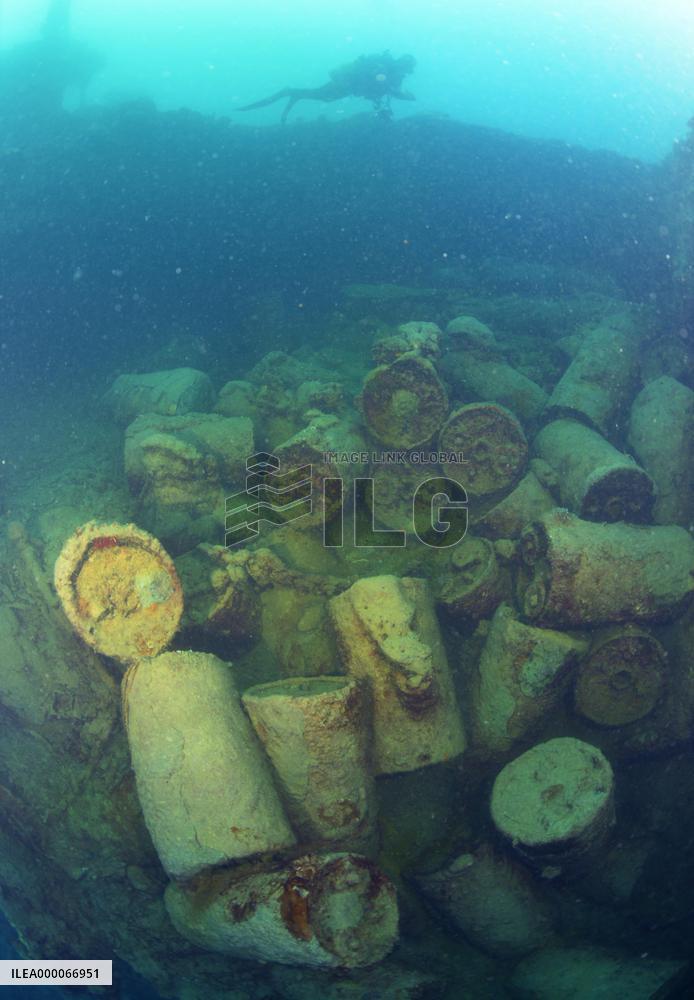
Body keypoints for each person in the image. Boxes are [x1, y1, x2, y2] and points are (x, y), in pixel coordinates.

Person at [238, 51, 416, 123]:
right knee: (323, 96)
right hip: (346, 84)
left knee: (322, 96)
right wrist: (401, 94)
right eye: (408, 69)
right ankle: (290, 92)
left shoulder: (393, 75)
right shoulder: (384, 69)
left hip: (349, 87)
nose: (407, 73)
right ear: (403, 64)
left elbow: (388, 91)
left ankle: (293, 94)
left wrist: (407, 96)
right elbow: (378, 84)